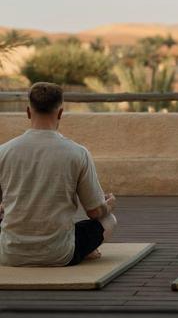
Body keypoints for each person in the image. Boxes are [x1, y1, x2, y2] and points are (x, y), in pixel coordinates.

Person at [0, 82, 117, 267]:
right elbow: (95, 212)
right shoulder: (77, 153)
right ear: (60, 113)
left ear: (28, 112)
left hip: (9, 254)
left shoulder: (3, 151)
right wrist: (108, 206)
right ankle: (85, 251)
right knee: (109, 220)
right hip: (59, 254)